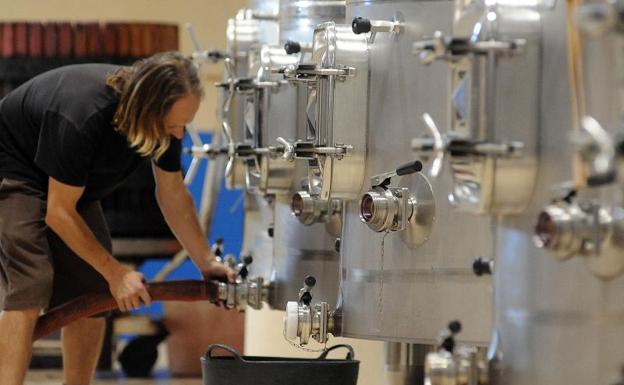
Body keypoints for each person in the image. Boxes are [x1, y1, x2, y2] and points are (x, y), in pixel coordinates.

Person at [0, 51, 236, 385]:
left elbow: (171, 194)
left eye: (184, 124)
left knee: (93, 288)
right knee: (31, 281)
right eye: (173, 125)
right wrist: (116, 274)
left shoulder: (164, 125)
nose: (180, 135)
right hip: (15, 170)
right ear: (146, 109)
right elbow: (58, 211)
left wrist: (206, 261)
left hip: (69, 188)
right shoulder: (83, 114)